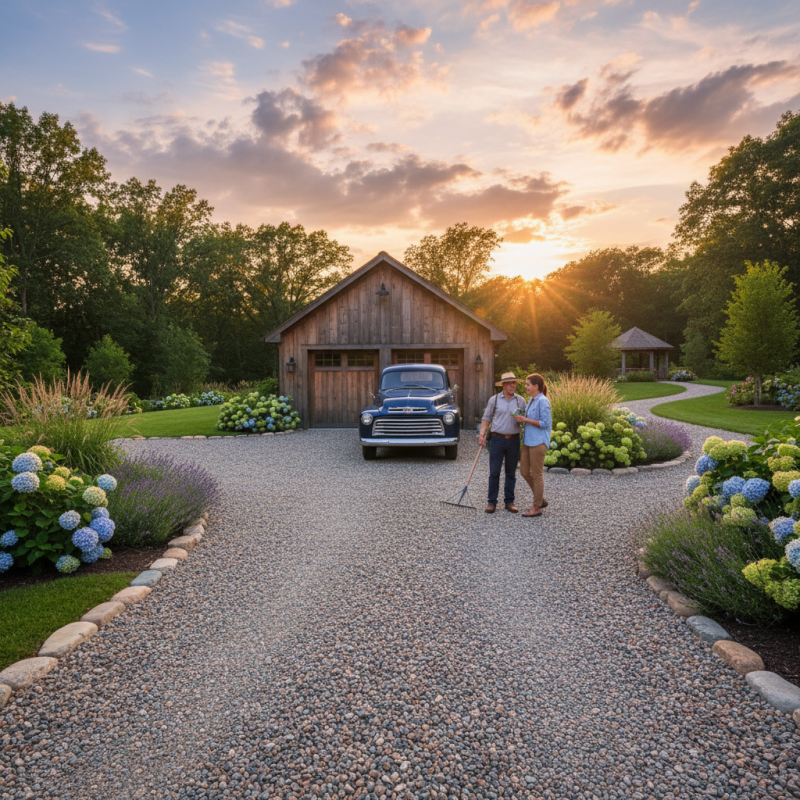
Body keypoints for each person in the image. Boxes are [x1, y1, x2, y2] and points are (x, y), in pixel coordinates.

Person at [478, 371, 526, 513]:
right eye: (510, 383)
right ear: (504, 385)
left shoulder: (520, 401)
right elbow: (486, 418)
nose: (513, 386)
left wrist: (522, 420)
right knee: (494, 472)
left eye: (514, 383)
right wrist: (482, 434)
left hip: (514, 440)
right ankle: (491, 502)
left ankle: (509, 502)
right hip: (497, 439)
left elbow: (526, 419)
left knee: (511, 473)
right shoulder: (494, 400)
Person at [517, 373, 552, 518]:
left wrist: (525, 419)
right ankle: (540, 499)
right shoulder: (531, 400)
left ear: (536, 386)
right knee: (524, 471)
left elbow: (545, 423)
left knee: (537, 474)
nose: (525, 387)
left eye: (527, 384)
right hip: (528, 441)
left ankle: (536, 506)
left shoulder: (543, 401)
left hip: (538, 442)